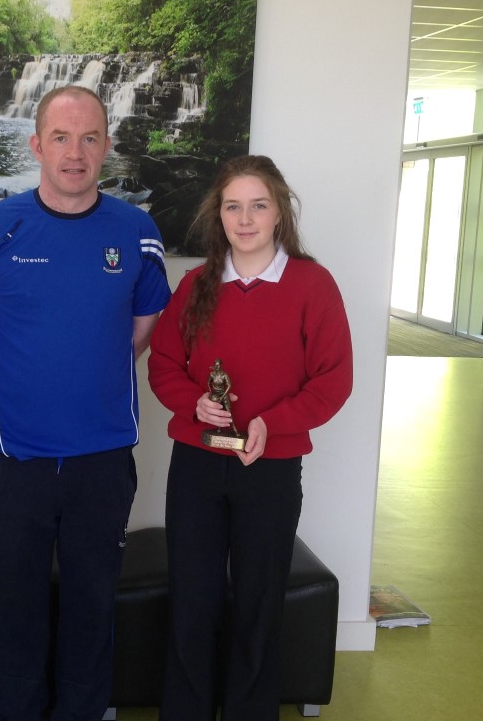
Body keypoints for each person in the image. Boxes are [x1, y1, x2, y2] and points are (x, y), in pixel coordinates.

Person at [0, 85, 171, 721]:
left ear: (106, 145)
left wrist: (95, 370)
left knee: (91, 609)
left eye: (89, 138)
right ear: (36, 145)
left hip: (103, 457)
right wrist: (5, 373)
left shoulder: (137, 232)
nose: (76, 153)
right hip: (15, 457)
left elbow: (144, 322)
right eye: (62, 138)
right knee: (15, 610)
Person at [147, 155, 353, 721]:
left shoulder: (312, 285)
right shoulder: (195, 285)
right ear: (218, 215)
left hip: (270, 469)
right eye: (233, 206)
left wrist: (272, 423)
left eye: (258, 206)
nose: (245, 219)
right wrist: (194, 403)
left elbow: (333, 380)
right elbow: (163, 365)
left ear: (279, 211)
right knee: (192, 600)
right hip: (196, 465)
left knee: (259, 605)